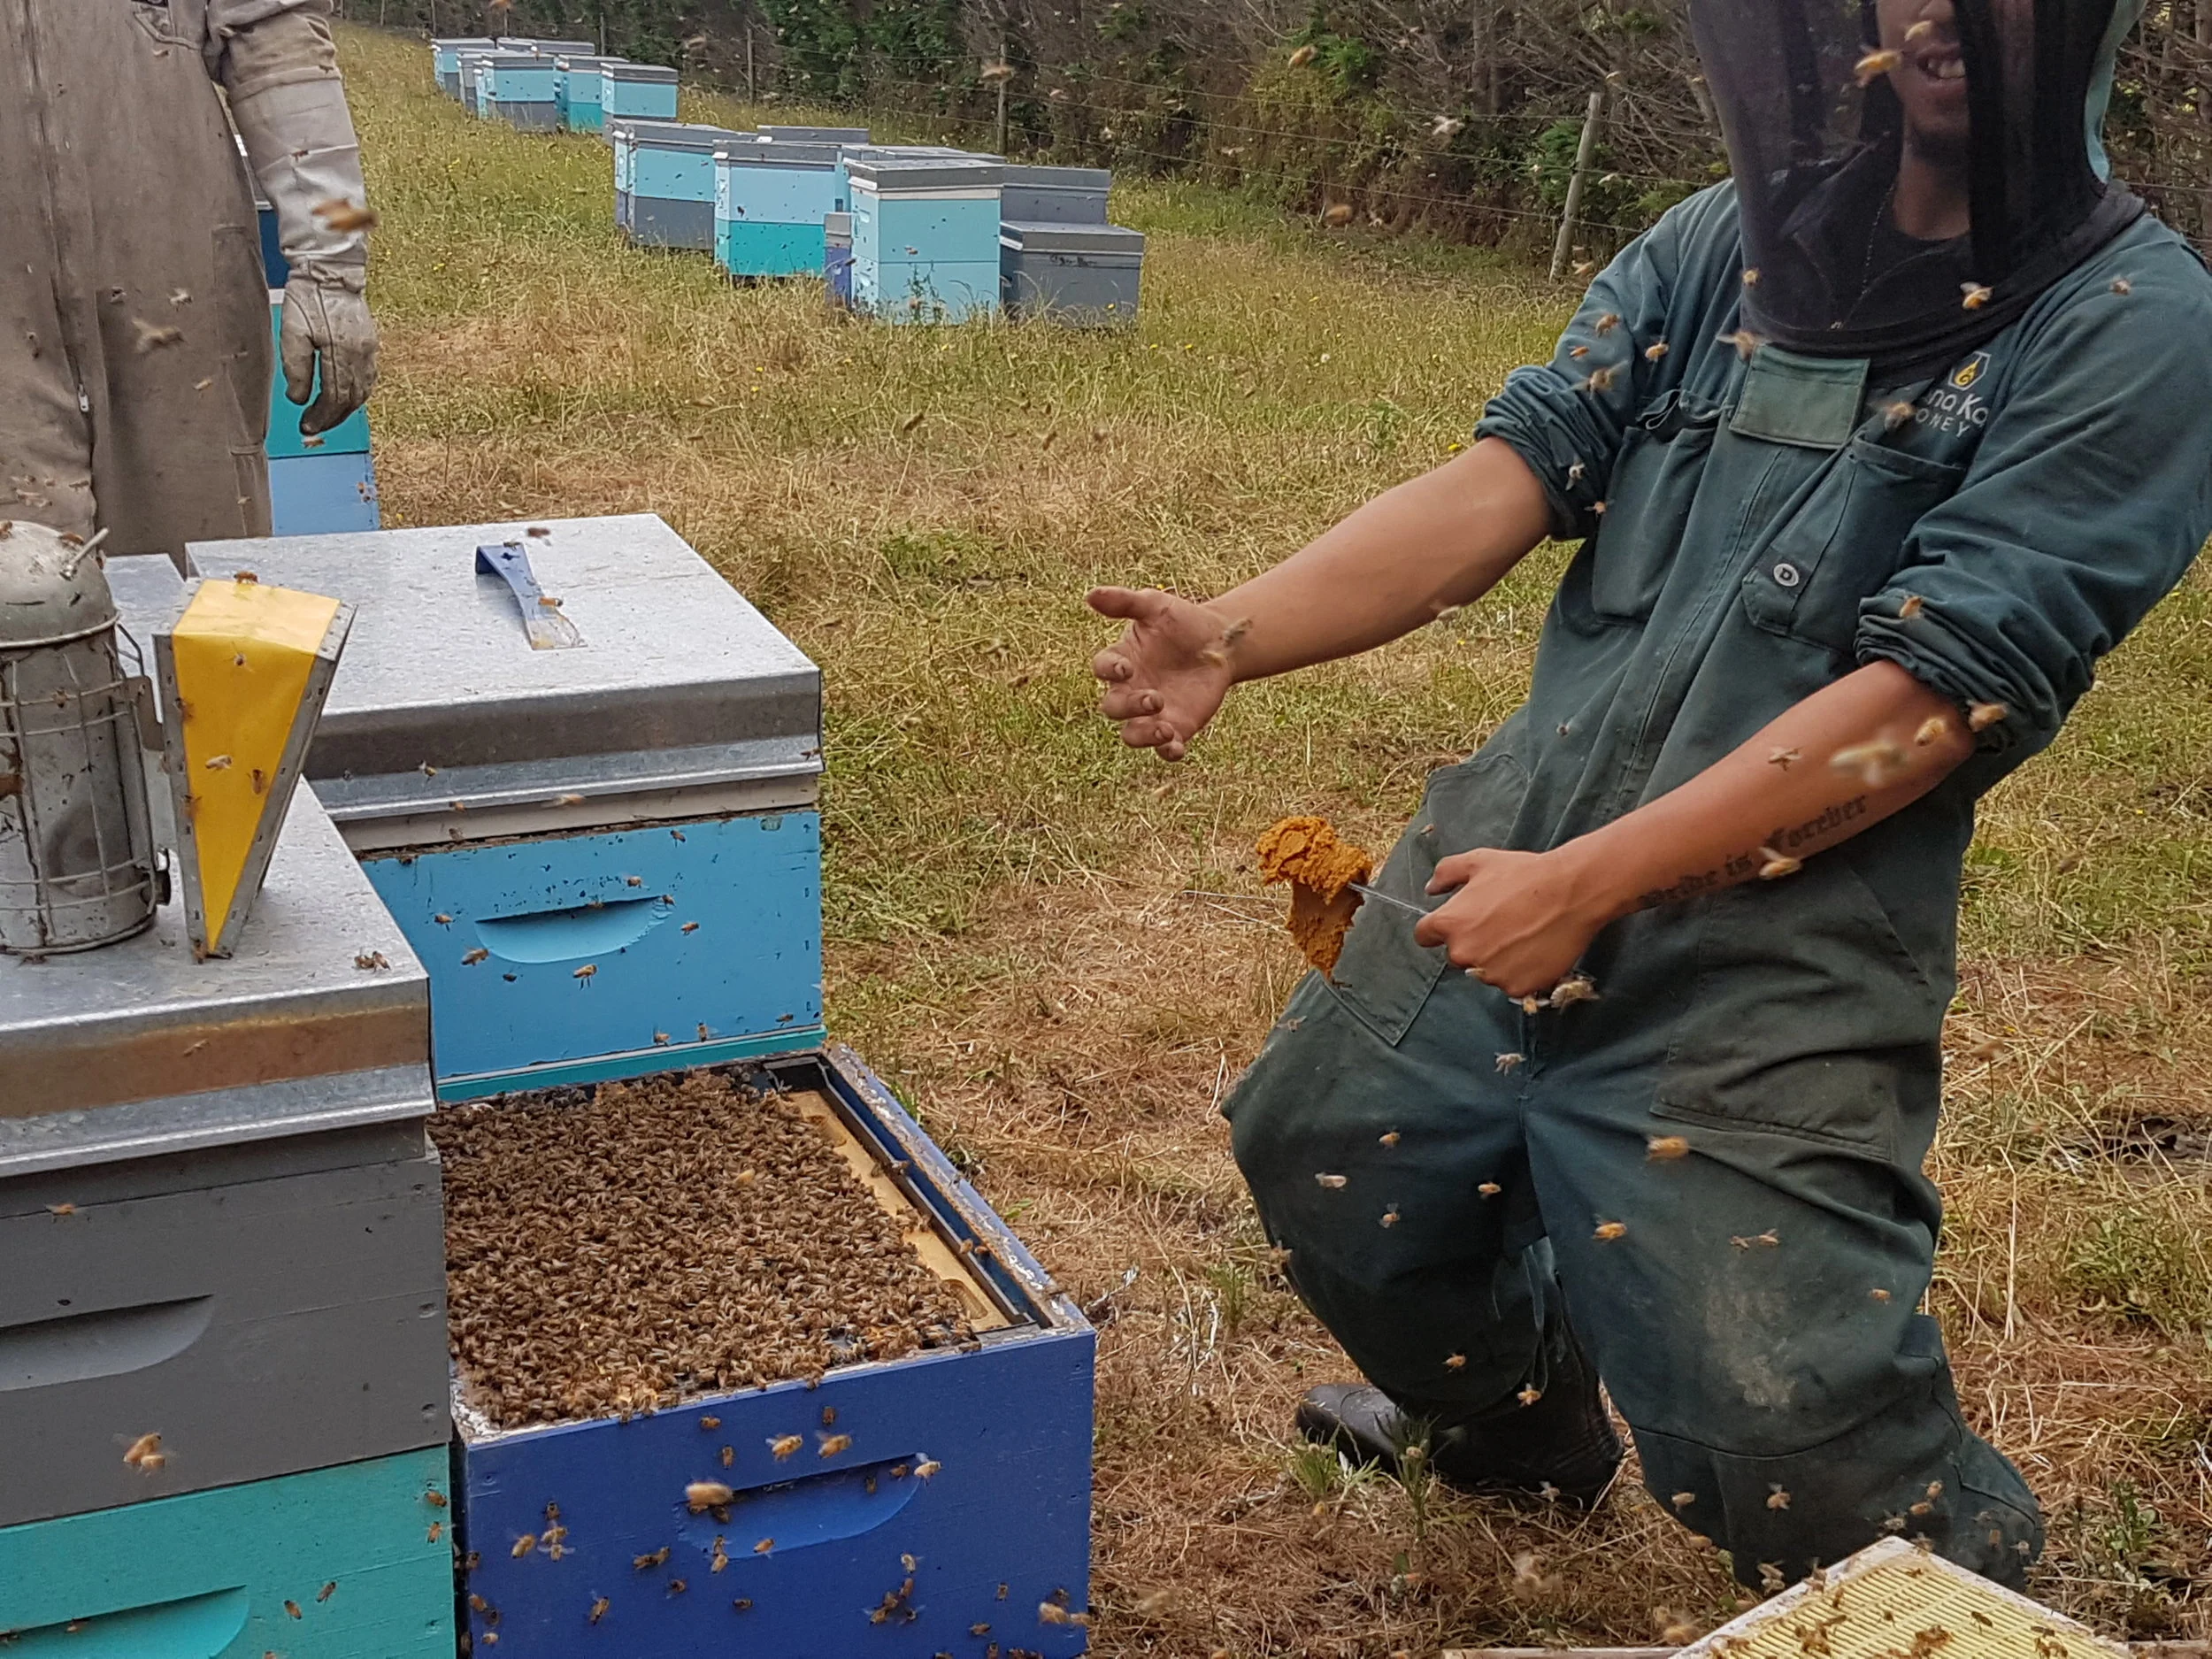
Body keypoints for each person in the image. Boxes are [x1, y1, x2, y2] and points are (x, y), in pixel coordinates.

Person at [1087, 0, 2212, 1589]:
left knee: (1785, 1426)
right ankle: (1517, 1436)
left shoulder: (2138, 326)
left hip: (1786, 943)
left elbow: (1937, 706)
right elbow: (1517, 471)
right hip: (1512, 841)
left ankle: (1958, 1600)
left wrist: (1602, 886)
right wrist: (1235, 632)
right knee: (1333, 1158)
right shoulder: (1720, 246)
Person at [0, 0, 377, 561]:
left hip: (177, 285)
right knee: (25, 609)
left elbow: (275, 32)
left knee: (200, 588)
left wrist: (331, 271)